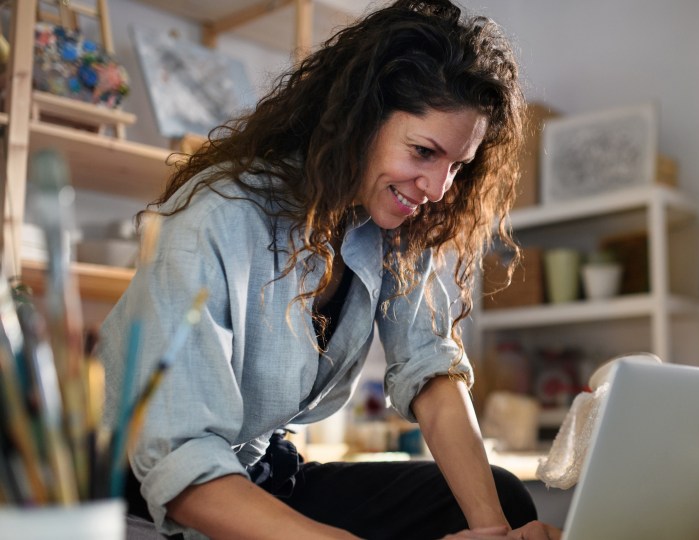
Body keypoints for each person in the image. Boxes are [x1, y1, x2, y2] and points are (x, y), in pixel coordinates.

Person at [97, 1, 562, 539]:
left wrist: (493, 532)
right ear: (359, 123)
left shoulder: (397, 220)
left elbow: (431, 370)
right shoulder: (219, 216)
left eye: (456, 165)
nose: (438, 189)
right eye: (422, 151)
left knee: (500, 496)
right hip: (149, 492)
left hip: (258, 474)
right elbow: (180, 462)